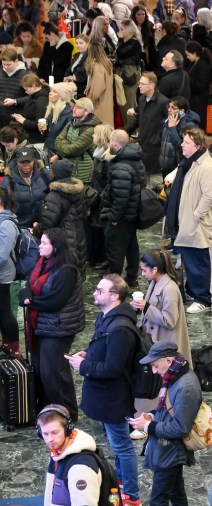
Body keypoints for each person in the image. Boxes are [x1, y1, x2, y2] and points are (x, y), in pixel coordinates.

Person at [65, 274, 142, 506]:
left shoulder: (120, 329)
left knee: (122, 446)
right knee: (118, 443)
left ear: (114, 296)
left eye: (100, 290)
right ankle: (121, 482)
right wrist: (88, 354)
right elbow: (101, 347)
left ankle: (132, 497)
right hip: (106, 394)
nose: (95, 293)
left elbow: (113, 368)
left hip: (114, 396)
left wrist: (83, 367)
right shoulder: (106, 317)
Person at [128, 340, 202, 506]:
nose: (153, 371)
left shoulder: (186, 387)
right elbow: (167, 410)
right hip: (167, 449)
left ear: (169, 360)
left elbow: (180, 427)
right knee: (177, 495)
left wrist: (148, 426)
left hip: (171, 452)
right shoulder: (174, 377)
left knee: (158, 501)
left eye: (155, 365)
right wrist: (151, 416)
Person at [20, 228, 85, 420]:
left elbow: (55, 301)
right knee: (41, 369)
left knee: (53, 371)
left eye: (44, 243)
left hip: (59, 327)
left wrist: (28, 301)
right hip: (43, 325)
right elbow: (30, 286)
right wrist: (26, 295)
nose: (39, 246)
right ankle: (49, 409)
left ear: (55, 247)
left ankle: (67, 413)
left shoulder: (66, 270)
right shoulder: (44, 262)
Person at [165, 128, 212, 310]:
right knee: (189, 260)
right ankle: (192, 291)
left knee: (197, 262)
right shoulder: (189, 162)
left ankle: (203, 300)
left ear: (198, 145)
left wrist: (195, 216)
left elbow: (209, 197)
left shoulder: (207, 166)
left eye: (186, 142)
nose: (182, 144)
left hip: (197, 224)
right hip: (186, 220)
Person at [39, 404, 104, 506]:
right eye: (45, 433)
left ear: (68, 429)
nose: (50, 439)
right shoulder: (58, 453)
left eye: (55, 432)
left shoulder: (80, 467)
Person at [100, 130, 145, 289]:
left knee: (116, 251)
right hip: (132, 214)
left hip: (122, 216)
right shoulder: (135, 159)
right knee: (131, 246)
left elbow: (121, 198)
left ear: (114, 143)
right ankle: (132, 277)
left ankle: (114, 284)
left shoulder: (121, 166)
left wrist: (113, 218)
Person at [133, 249, 191, 368]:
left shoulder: (169, 289)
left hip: (165, 341)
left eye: (144, 270)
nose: (142, 274)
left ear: (154, 269)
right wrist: (140, 307)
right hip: (158, 338)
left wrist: (146, 307)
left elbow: (170, 320)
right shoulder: (156, 282)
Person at [54, 96, 101, 183]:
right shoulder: (71, 123)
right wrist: (66, 144)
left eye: (79, 107)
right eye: (74, 106)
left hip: (82, 175)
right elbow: (57, 141)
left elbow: (72, 150)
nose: (74, 109)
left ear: (87, 111)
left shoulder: (91, 129)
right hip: (69, 170)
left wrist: (63, 143)